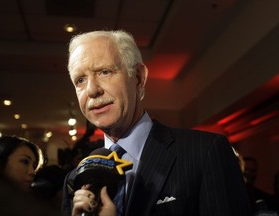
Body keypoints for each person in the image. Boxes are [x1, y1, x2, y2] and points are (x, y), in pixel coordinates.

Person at [62, 30, 252, 216]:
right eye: (80, 80)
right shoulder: (74, 179)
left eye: (104, 72)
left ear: (138, 77)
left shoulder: (205, 151)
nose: (92, 90)